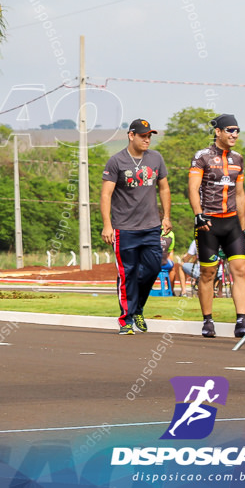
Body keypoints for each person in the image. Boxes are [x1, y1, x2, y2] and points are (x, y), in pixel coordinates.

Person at [100, 119, 172, 335]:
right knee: (127, 274)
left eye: (149, 136)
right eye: (143, 136)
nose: (147, 139)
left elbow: (164, 188)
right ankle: (126, 319)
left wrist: (166, 216)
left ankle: (137, 307)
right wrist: (107, 225)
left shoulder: (156, 158)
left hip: (151, 227)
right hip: (124, 229)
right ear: (131, 136)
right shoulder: (116, 161)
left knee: (152, 269)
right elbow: (106, 194)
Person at [189, 113, 245, 338]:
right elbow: (193, 187)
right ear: (218, 132)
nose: (235, 134)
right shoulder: (202, 156)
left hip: (232, 222)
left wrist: (244, 225)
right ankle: (208, 320)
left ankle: (241, 321)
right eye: (230, 130)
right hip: (209, 222)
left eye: (237, 130)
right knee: (208, 273)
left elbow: (241, 194)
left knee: (240, 271)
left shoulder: (238, 158)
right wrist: (198, 215)